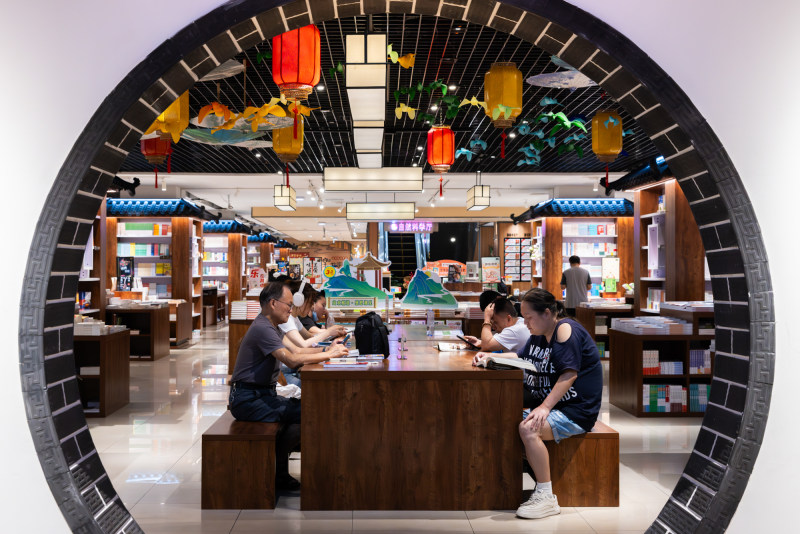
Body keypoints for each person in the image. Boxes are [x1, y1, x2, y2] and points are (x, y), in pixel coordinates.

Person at [479, 288, 601, 519]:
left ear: (547, 313)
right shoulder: (538, 332)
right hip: (553, 405)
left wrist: (544, 407)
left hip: (575, 410)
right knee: (502, 419)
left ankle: (546, 497)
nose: (525, 323)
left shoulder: (565, 330)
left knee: (528, 428)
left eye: (529, 317)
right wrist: (490, 356)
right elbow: (521, 357)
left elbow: (569, 374)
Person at [228, 282, 348, 490]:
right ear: (273, 303)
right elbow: (292, 360)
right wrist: (329, 354)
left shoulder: (270, 326)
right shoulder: (263, 328)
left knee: (303, 412)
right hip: (247, 399)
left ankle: (280, 470)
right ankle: (282, 473)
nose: (291, 310)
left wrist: (328, 349)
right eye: (289, 305)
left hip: (259, 395)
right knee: (309, 412)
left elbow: (297, 351)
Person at [463, 295, 531, 353]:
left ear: (508, 319)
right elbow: (488, 343)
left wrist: (487, 320)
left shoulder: (515, 330)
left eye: (495, 322)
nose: (493, 327)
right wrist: (479, 342)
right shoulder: (519, 322)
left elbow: (486, 346)